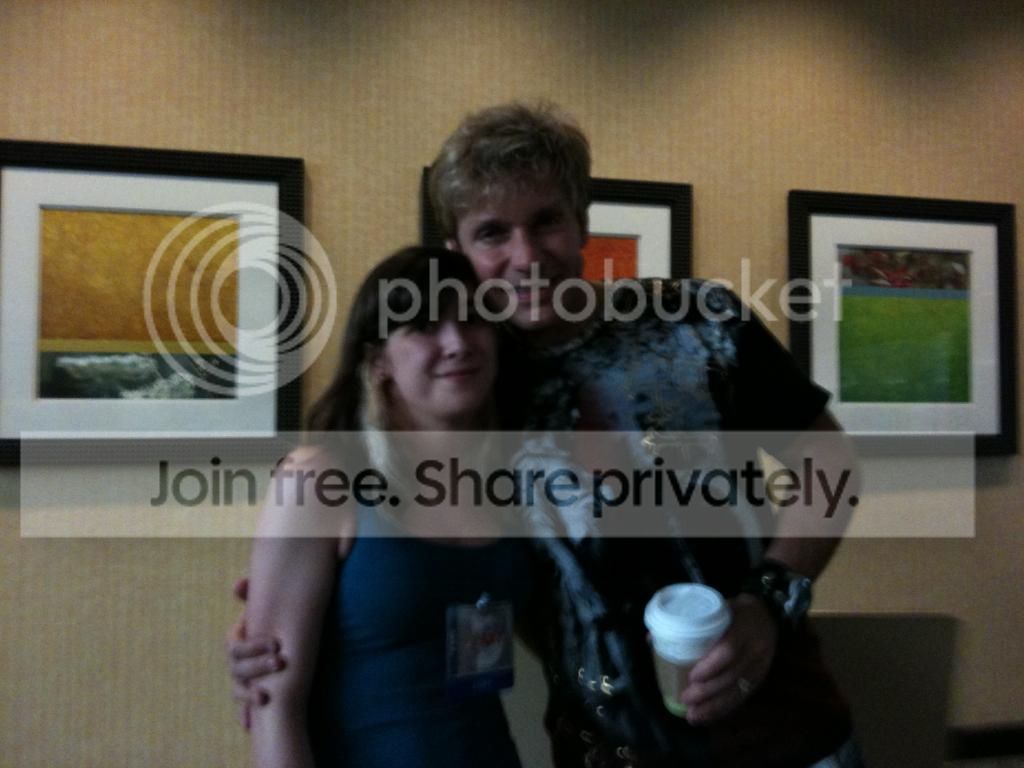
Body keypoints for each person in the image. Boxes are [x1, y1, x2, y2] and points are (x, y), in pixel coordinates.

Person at [230, 103, 862, 767]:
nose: (526, 257)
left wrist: (770, 598)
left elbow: (829, 459)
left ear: (582, 223)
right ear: (459, 253)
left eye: (546, 222)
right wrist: (270, 634)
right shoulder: (471, 388)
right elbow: (398, 551)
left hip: (789, 735)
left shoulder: (699, 322)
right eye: (492, 233)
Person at [244, 245, 530, 768]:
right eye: (425, 327)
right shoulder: (320, 479)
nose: (458, 343)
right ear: (378, 362)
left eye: (472, 320)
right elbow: (271, 707)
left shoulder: (509, 483)